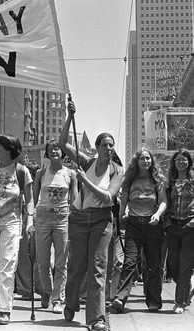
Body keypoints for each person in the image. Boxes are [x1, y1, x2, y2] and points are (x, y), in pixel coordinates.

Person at [58, 102, 124, 331]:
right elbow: (61, 143)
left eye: (111, 145)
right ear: (96, 148)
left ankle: (96, 319)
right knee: (76, 266)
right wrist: (69, 116)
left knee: (98, 268)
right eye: (105, 145)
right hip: (79, 218)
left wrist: (84, 181)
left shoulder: (117, 170)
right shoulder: (86, 161)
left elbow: (108, 197)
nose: (109, 148)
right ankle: (71, 301)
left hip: (101, 220)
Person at [0, 134, 34, 325]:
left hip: (11, 223)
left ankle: (5, 309)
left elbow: (30, 199)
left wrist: (30, 220)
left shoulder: (22, 171)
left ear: (9, 149)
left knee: (7, 266)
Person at [111, 148, 166, 313]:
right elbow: (124, 203)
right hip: (133, 224)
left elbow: (163, 201)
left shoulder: (157, 180)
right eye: (142, 159)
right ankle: (120, 298)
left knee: (153, 264)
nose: (146, 162)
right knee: (129, 262)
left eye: (148, 159)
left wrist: (157, 214)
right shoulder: (129, 179)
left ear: (152, 161)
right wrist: (120, 221)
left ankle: (154, 301)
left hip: (152, 225)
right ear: (137, 161)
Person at [33, 141, 77, 314]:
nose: (53, 151)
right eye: (50, 149)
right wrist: (31, 218)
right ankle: (47, 290)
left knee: (61, 262)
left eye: (57, 148)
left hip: (63, 217)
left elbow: (74, 200)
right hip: (43, 216)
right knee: (42, 262)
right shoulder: (40, 173)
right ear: (47, 154)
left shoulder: (70, 174)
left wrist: (73, 218)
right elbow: (33, 199)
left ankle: (57, 299)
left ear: (62, 152)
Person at [163, 148, 194, 314]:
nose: (181, 162)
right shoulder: (170, 182)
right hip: (173, 226)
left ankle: (179, 303)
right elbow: (165, 204)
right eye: (178, 159)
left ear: (189, 162)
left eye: (184, 159)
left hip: (190, 227)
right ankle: (188, 286)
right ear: (174, 162)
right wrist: (167, 224)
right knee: (173, 266)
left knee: (185, 266)